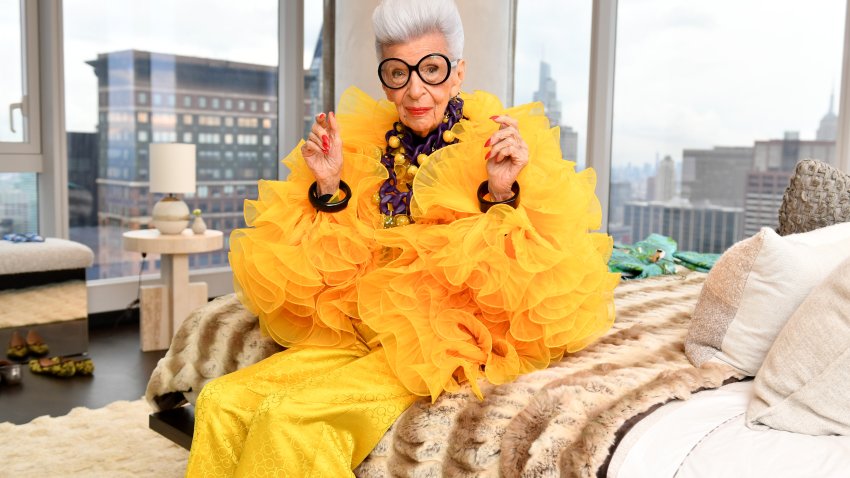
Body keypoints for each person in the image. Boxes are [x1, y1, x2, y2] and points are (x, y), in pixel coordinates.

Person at [185, 0, 619, 476]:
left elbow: (525, 276)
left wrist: (499, 191)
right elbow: (331, 263)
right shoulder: (368, 145)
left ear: (457, 74)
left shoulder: (497, 145)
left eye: (431, 69)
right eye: (398, 72)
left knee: (293, 419)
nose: (416, 90)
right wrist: (329, 187)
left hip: (434, 335)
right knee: (222, 400)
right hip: (360, 322)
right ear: (385, 79)